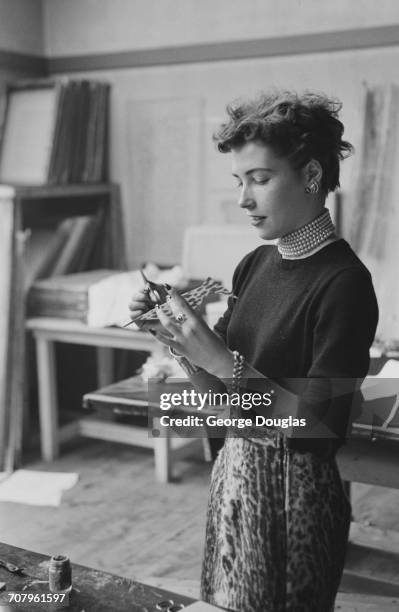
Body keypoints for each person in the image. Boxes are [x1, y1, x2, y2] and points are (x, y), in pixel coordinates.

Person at [129, 91, 378, 612]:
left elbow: (317, 430)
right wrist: (175, 338)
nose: (244, 198)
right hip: (233, 486)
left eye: (260, 179)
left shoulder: (344, 283)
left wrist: (222, 359)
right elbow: (220, 398)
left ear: (311, 174)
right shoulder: (254, 265)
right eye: (239, 181)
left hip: (296, 508)